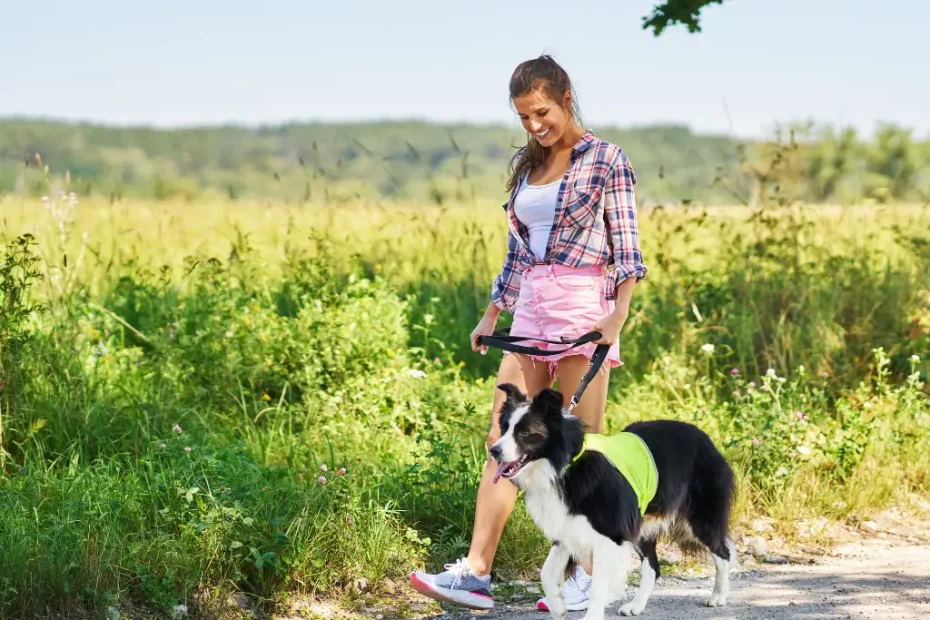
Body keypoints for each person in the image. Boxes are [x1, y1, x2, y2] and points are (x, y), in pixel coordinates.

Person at [409, 54, 647, 612]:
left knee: (579, 445)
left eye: (541, 112)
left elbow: (628, 247)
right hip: (531, 311)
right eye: (523, 116)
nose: (534, 125)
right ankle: (474, 572)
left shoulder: (606, 159)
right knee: (504, 436)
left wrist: (618, 314)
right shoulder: (528, 166)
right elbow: (519, 251)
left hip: (581, 309)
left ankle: (594, 571)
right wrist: (494, 312)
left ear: (566, 98)